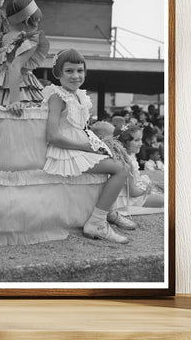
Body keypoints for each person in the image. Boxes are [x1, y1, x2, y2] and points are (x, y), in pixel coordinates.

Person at [42, 49, 131, 243]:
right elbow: (53, 136)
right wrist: (87, 148)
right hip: (66, 151)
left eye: (80, 71)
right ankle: (97, 223)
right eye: (69, 71)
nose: (76, 76)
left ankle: (110, 212)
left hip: (80, 146)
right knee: (120, 170)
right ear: (58, 73)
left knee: (119, 160)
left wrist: (98, 144)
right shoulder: (57, 97)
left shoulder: (80, 96)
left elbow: (80, 128)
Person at [0, 0, 49, 116]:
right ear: (29, 21)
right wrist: (14, 101)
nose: (38, 24)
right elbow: (14, 68)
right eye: (37, 20)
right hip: (19, 94)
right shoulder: (29, 40)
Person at [118, 125, 164, 208]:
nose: (141, 143)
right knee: (164, 200)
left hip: (131, 193)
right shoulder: (127, 162)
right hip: (128, 199)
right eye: (136, 140)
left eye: (141, 139)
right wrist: (147, 189)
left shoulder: (130, 156)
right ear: (125, 142)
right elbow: (132, 192)